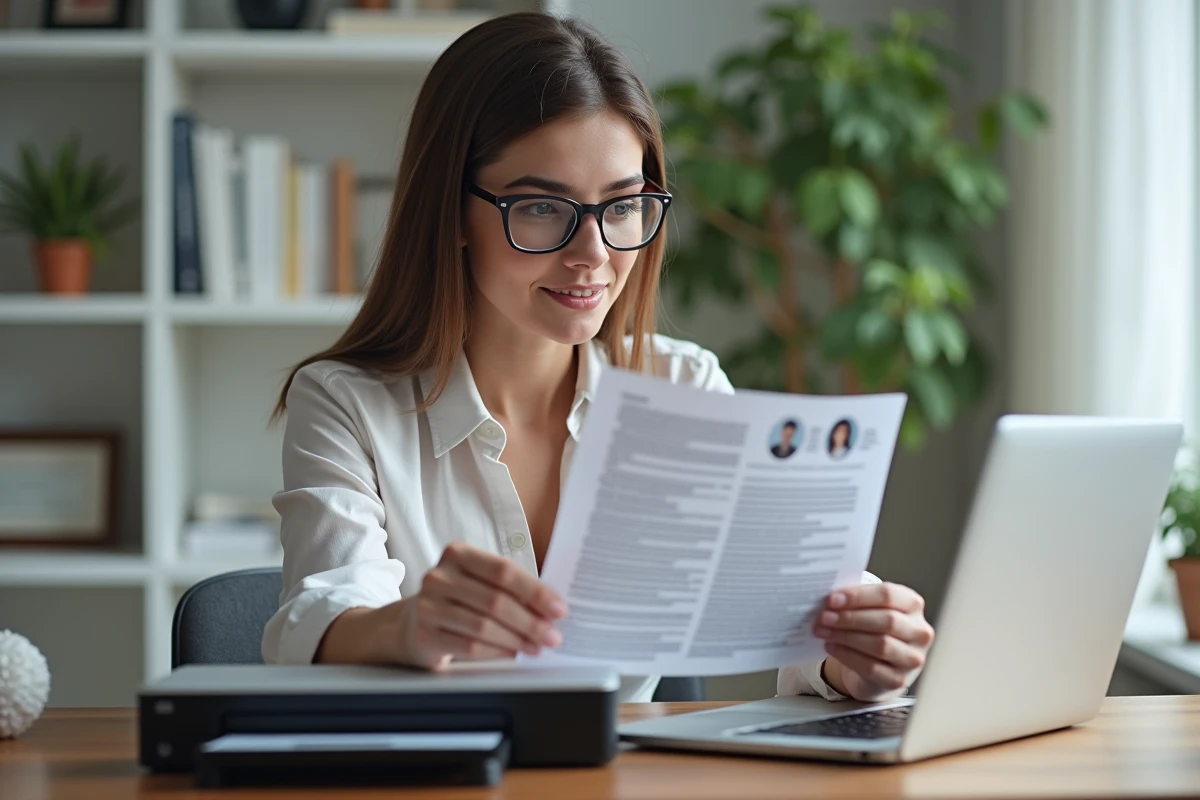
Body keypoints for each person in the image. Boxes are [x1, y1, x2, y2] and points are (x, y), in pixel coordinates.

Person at [262, 12, 934, 705]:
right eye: (542, 209)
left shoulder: (683, 385)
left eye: (624, 207)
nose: (594, 256)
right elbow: (321, 616)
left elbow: (794, 613)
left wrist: (852, 657)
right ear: (452, 213)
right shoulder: (347, 402)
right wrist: (408, 628)